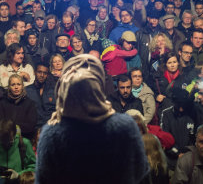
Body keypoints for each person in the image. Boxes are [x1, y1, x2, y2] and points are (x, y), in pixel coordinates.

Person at [35, 54, 149, 184]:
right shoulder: (125, 127)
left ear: (64, 91)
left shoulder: (52, 135)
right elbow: (142, 176)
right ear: (98, 88)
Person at [0, 74, 37, 140]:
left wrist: (11, 126)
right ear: (9, 87)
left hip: (24, 140)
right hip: (5, 140)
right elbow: (0, 124)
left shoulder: (30, 104)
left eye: (18, 84)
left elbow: (30, 126)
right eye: (13, 85)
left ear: (22, 86)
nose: (16, 87)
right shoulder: (2, 102)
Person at [25, 63, 56, 128]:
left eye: (45, 73)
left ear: (47, 75)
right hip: (33, 128)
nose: (42, 75)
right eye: (39, 72)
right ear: (34, 72)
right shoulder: (27, 91)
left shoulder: (53, 91)